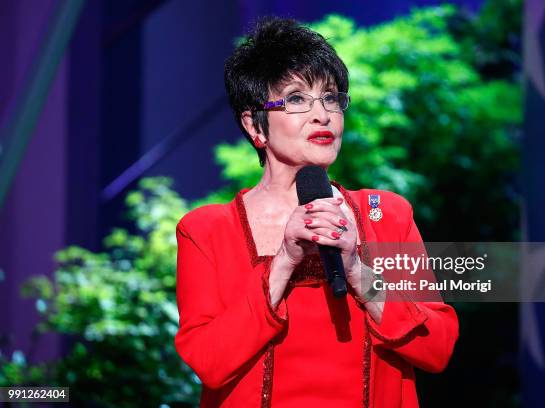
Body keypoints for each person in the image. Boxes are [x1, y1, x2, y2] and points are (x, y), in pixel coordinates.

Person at [175, 17, 459, 407]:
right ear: (254, 125)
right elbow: (208, 361)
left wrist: (359, 271)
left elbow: (436, 347)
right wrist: (285, 260)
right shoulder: (206, 230)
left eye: (331, 98)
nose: (322, 114)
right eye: (295, 99)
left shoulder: (387, 215)